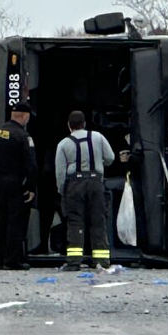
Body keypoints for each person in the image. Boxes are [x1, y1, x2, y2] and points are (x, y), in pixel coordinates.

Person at [55, 110, 115, 271]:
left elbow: (60, 172)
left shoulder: (63, 144)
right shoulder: (98, 137)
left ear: (69, 126)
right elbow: (110, 158)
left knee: (75, 222)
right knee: (98, 221)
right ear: (85, 124)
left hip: (75, 185)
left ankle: (74, 262)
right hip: (96, 183)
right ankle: (102, 261)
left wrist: (62, 191)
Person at [0, 102, 38, 271]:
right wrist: (31, 187)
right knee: (16, 222)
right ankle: (12, 260)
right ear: (25, 116)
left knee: (1, 220)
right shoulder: (23, 136)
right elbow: (31, 165)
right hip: (17, 184)